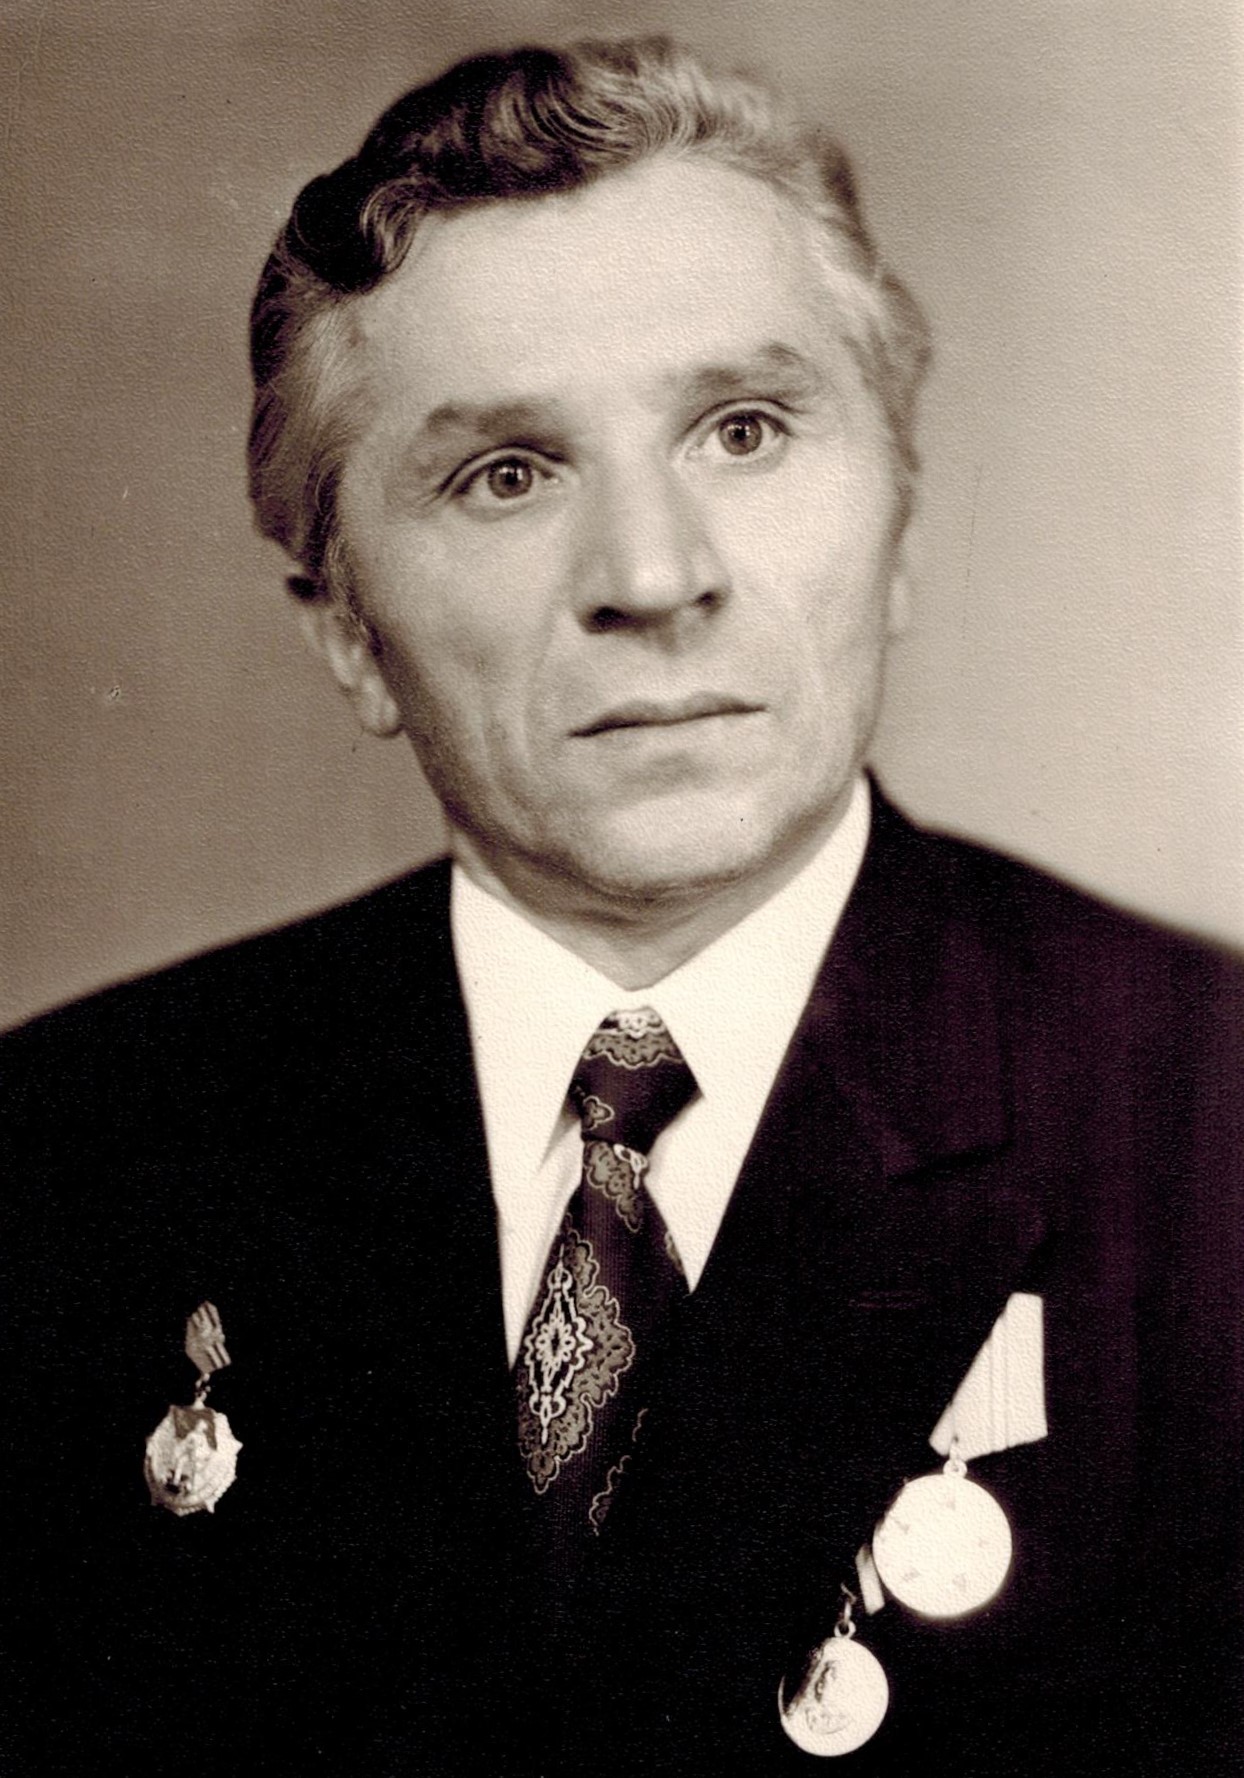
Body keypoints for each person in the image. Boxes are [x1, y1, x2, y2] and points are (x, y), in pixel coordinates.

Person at [2, 36, 1240, 1777]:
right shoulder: (62, 1159)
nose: (654, 577)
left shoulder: (1209, 1119)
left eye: (744, 429)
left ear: (898, 523)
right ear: (347, 630)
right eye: (507, 472)